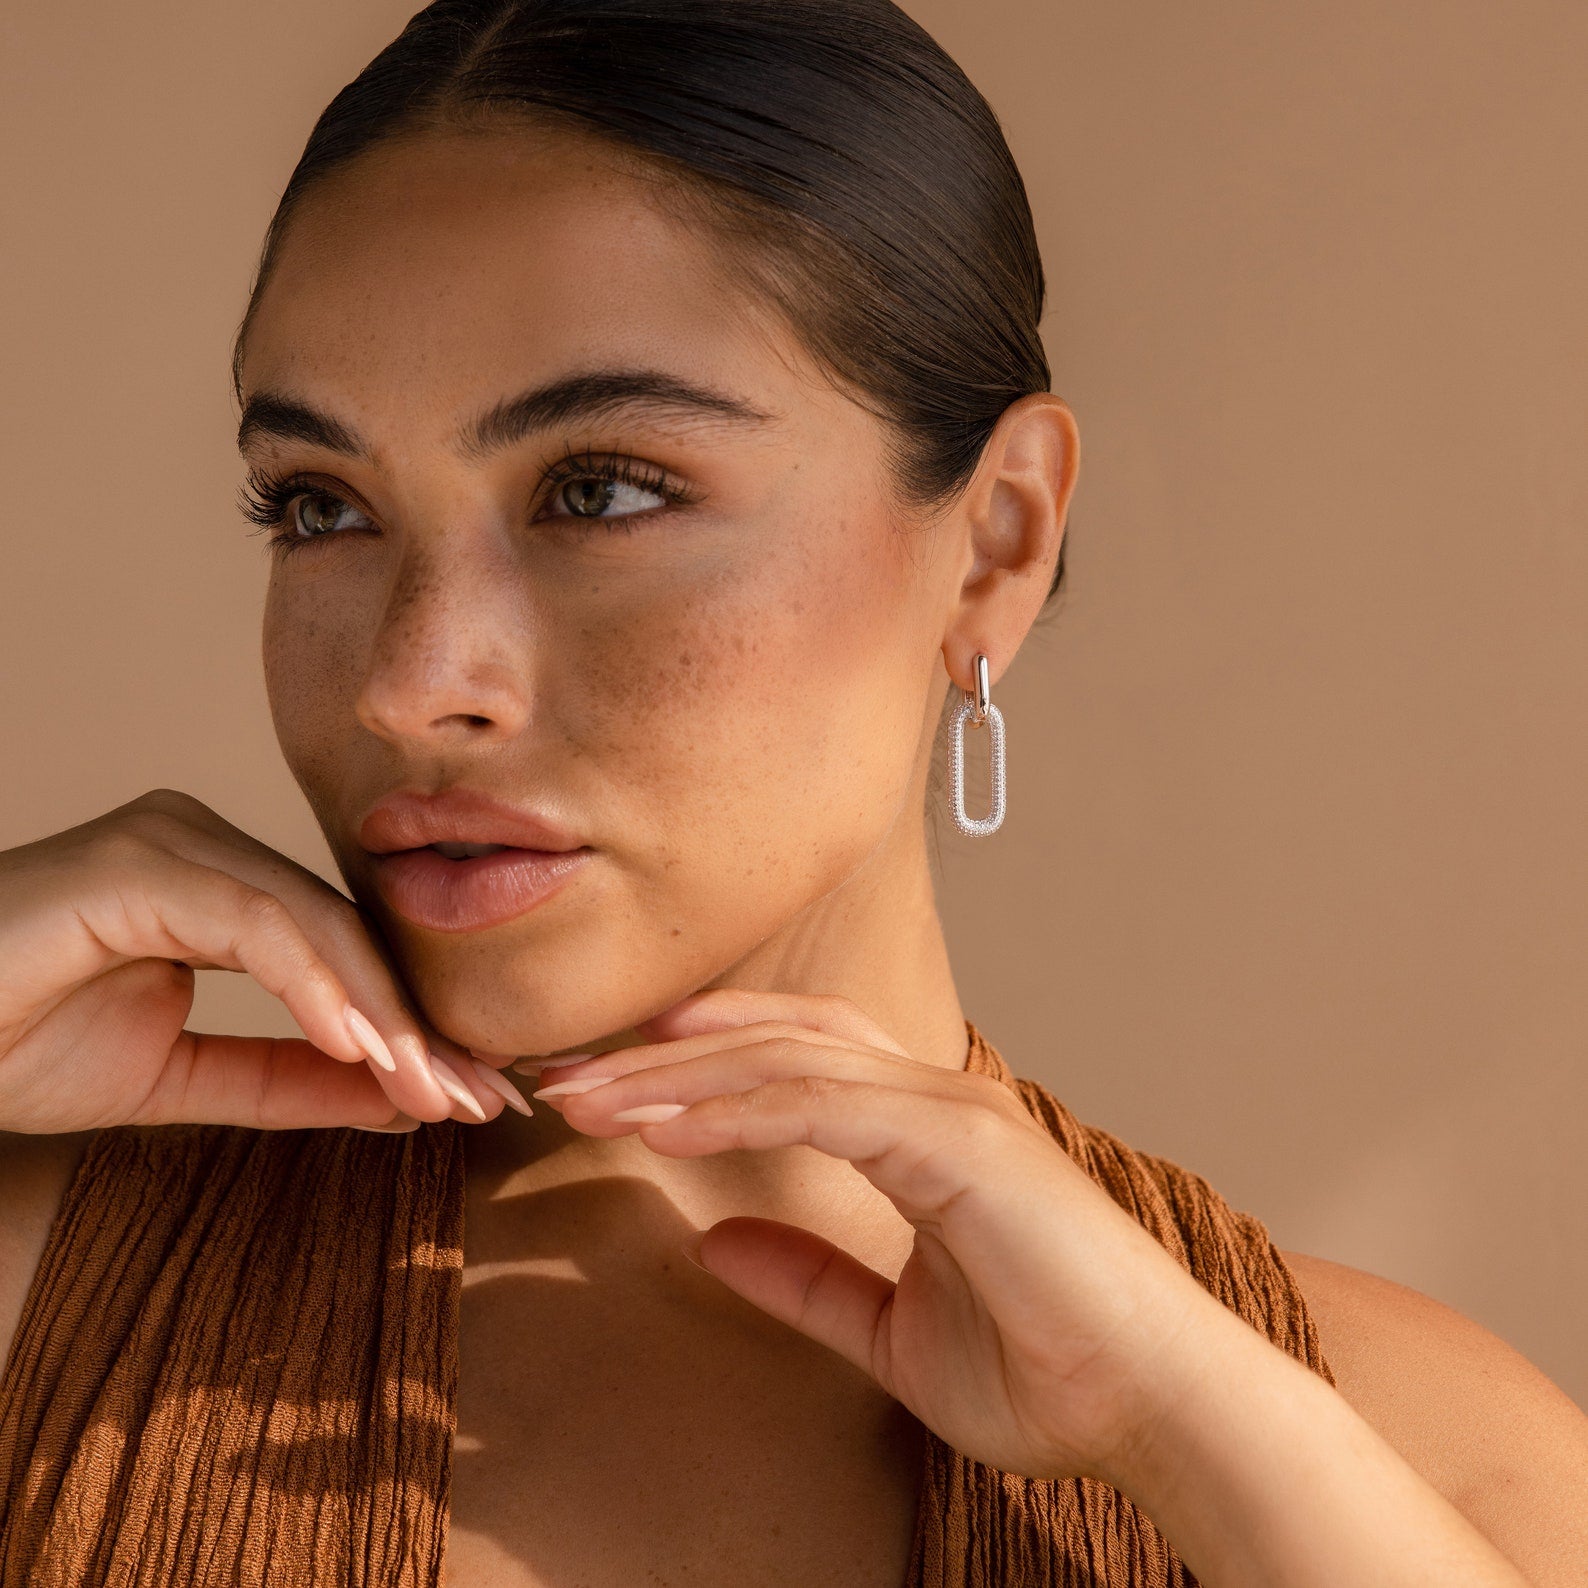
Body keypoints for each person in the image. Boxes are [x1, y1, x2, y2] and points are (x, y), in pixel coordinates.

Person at [1, 1, 1585, 1583]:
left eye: (603, 486)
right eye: (320, 506)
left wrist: (1184, 1432)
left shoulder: (1442, 1466)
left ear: (997, 543)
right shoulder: (40, 1321)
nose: (410, 679)